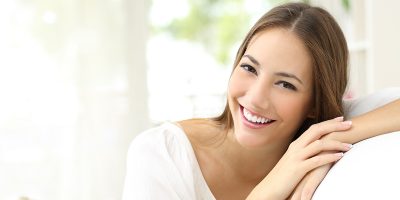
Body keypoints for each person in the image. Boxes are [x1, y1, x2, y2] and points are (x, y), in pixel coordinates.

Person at [122, 2, 400, 200]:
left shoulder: (320, 131)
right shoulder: (163, 154)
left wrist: (324, 139)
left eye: (285, 84)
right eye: (249, 68)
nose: (255, 98)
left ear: (315, 104)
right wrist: (268, 190)